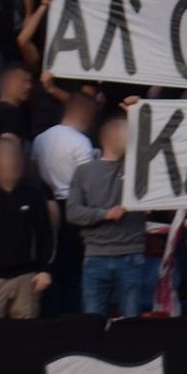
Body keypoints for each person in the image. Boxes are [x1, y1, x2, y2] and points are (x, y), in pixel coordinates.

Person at [68, 114, 148, 319]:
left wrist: (136, 110)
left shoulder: (138, 168)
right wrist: (105, 214)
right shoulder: (84, 171)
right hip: (95, 256)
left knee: (131, 322)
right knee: (92, 321)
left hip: (131, 254)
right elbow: (72, 212)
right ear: (108, 136)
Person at [0, 136, 54, 319]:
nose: (11, 160)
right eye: (4, 156)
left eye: (14, 155)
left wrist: (45, 270)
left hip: (28, 276)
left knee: (26, 330)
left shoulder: (34, 194)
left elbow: (46, 235)